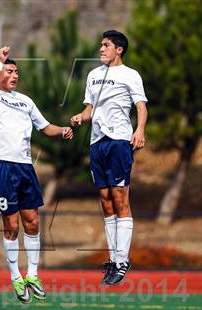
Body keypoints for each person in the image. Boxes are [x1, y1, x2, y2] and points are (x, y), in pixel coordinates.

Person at [0, 46, 73, 304]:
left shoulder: (26, 101)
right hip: (1, 167)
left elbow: (45, 127)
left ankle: (32, 274)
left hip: (24, 167)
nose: (14, 75)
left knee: (32, 221)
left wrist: (62, 129)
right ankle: (15, 276)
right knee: (11, 225)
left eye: (16, 71)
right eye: (9, 71)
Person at [70, 30, 148, 285]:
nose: (101, 49)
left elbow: (141, 106)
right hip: (97, 143)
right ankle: (113, 260)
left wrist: (139, 130)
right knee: (105, 200)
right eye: (101, 45)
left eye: (106, 45)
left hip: (118, 141)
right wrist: (81, 116)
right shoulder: (93, 75)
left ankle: (122, 261)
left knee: (119, 197)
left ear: (119, 49)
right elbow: (89, 109)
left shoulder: (130, 75)